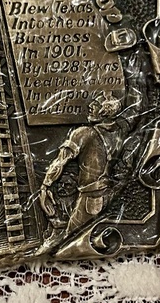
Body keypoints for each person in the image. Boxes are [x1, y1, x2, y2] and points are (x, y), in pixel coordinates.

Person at [38, 90, 132, 253]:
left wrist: (45, 185)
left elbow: (60, 161)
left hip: (89, 199)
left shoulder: (84, 133)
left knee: (68, 245)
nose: (89, 107)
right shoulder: (120, 133)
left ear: (104, 112)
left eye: (95, 105)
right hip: (109, 197)